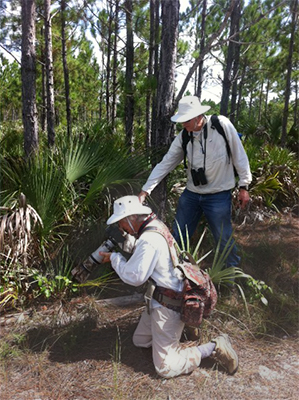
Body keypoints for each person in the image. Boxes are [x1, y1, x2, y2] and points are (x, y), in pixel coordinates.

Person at [99, 195, 238, 378]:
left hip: (169, 304)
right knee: (140, 340)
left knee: (165, 367)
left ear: (131, 218)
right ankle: (180, 333)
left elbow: (135, 277)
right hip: (160, 298)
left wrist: (115, 259)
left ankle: (215, 346)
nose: (120, 228)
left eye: (121, 223)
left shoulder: (149, 239)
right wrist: (124, 241)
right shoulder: (155, 225)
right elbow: (143, 250)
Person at [139, 96, 252, 269]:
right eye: (181, 120)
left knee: (223, 238)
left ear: (199, 116)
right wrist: (145, 190)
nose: (183, 124)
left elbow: (239, 155)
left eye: (187, 120)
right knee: (178, 235)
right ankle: (173, 271)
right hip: (192, 194)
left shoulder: (221, 125)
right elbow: (165, 164)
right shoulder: (184, 136)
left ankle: (231, 275)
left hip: (219, 194)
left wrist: (244, 186)